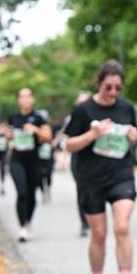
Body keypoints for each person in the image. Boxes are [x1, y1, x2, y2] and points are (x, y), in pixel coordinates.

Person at [65, 60, 137, 274]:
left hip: (121, 174)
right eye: (108, 87)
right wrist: (93, 135)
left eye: (118, 87)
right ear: (98, 83)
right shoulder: (84, 110)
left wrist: (134, 138)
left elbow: (134, 136)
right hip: (91, 179)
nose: (113, 92)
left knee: (122, 227)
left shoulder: (126, 108)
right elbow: (69, 145)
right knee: (98, 234)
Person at [6, 88, 52, 242]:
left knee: (31, 194)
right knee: (22, 193)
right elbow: (8, 135)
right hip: (17, 159)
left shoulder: (38, 118)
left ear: (33, 99)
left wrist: (35, 130)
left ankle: (27, 222)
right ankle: (22, 227)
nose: (25, 100)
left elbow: (48, 136)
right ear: (18, 100)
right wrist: (9, 136)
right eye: (22, 97)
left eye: (28, 97)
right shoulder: (13, 117)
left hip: (33, 160)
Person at [60, 92, 92, 236]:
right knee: (82, 190)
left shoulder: (98, 117)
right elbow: (67, 140)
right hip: (78, 158)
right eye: (79, 102)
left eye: (85, 102)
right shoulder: (72, 118)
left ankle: (95, 218)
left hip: (95, 159)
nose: (82, 105)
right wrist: (63, 158)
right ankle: (84, 222)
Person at [36, 109, 55, 202]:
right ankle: (43, 192)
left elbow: (53, 139)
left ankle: (48, 188)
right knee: (39, 175)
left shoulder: (50, 128)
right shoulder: (34, 128)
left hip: (48, 154)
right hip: (38, 156)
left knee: (48, 174)